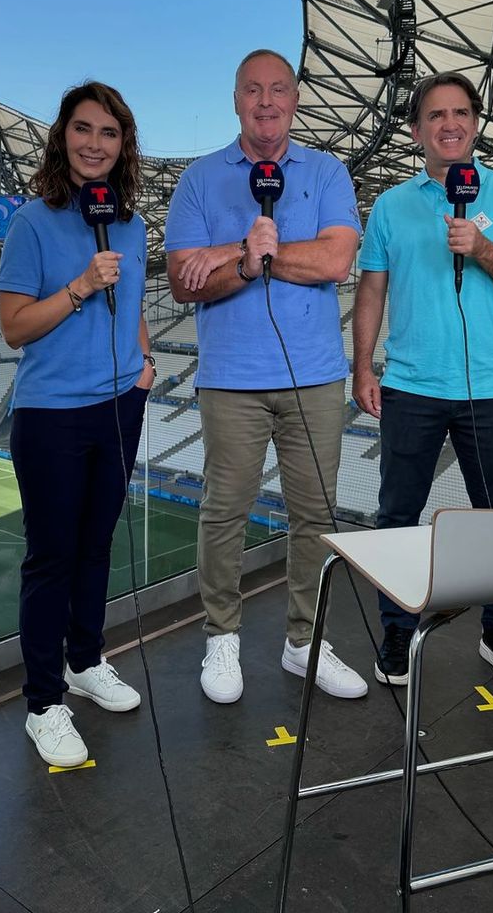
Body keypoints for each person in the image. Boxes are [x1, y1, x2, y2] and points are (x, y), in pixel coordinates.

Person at [164, 49, 368, 704]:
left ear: (295, 98)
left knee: (316, 517)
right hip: (230, 380)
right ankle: (221, 640)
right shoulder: (199, 180)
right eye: (253, 90)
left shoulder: (328, 172)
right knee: (224, 514)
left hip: (314, 378)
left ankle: (303, 643)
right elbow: (180, 282)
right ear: (236, 100)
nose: (266, 101)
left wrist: (235, 252)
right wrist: (249, 265)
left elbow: (336, 261)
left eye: (278, 89)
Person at [352, 72, 493, 693]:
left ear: (475, 122)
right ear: (416, 132)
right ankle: (396, 631)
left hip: (490, 388)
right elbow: (372, 289)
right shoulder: (390, 205)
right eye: (436, 115)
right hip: (411, 385)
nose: (450, 124)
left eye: (461, 112)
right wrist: (363, 365)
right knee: (397, 517)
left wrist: (481, 247)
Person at [0, 81, 156, 767]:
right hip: (53, 414)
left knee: (96, 547)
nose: (95, 143)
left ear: (124, 147)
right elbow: (13, 327)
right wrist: (80, 288)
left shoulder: (133, 225)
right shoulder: (33, 222)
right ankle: (43, 703)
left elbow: (138, 301)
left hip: (120, 404)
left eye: (109, 132)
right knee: (53, 557)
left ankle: (86, 661)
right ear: (63, 137)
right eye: (84, 129)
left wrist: (144, 363)